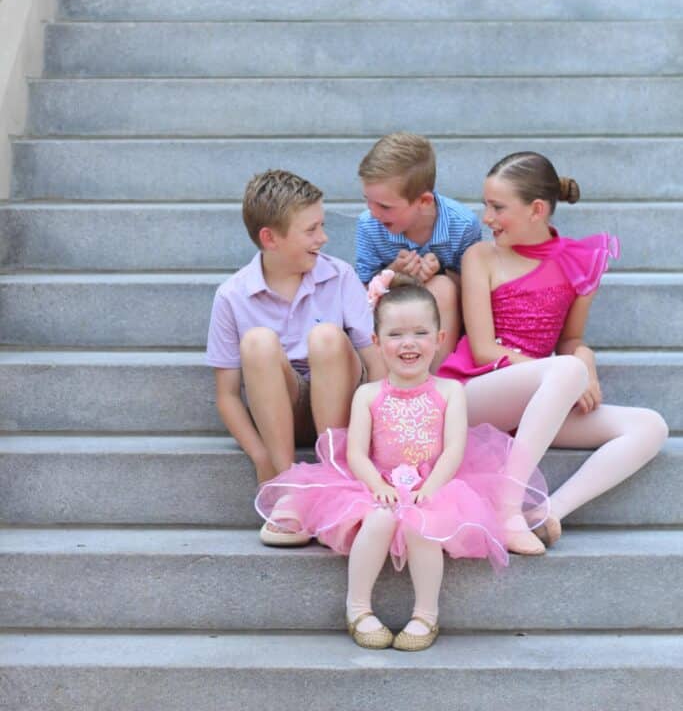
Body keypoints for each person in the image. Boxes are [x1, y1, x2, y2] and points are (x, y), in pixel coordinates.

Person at [255, 274, 548, 651]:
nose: (408, 343)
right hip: (377, 485)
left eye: (420, 333)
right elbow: (357, 452)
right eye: (395, 335)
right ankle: (358, 608)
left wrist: (430, 487)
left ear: (439, 340)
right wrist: (378, 486)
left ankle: (426, 614)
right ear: (377, 343)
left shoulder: (450, 392)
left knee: (422, 525)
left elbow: (454, 448)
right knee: (377, 520)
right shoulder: (367, 394)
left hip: (435, 485)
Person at [438, 151, 669, 555]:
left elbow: (570, 340)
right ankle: (508, 507)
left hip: (545, 398)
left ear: (537, 210)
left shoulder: (580, 262)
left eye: (497, 207)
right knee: (565, 371)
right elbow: (483, 348)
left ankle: (546, 512)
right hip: (478, 391)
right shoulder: (481, 257)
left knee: (650, 426)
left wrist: (585, 362)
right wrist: (567, 369)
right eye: (486, 205)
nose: (486, 217)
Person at [206, 169, 385, 545]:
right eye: (311, 230)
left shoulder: (339, 276)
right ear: (270, 238)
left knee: (325, 337)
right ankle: (290, 486)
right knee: (257, 342)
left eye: (321, 226)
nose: (323, 238)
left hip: (339, 403)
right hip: (278, 406)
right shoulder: (233, 295)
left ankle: (334, 474)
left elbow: (377, 363)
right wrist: (260, 457)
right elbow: (226, 396)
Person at [356, 132, 481, 366]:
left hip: (442, 320)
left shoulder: (462, 224)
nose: (373, 212)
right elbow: (361, 292)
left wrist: (441, 272)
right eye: (367, 201)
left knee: (442, 286)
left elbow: (473, 291)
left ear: (423, 201)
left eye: (384, 206)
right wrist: (393, 273)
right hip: (392, 316)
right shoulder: (369, 225)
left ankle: (437, 380)